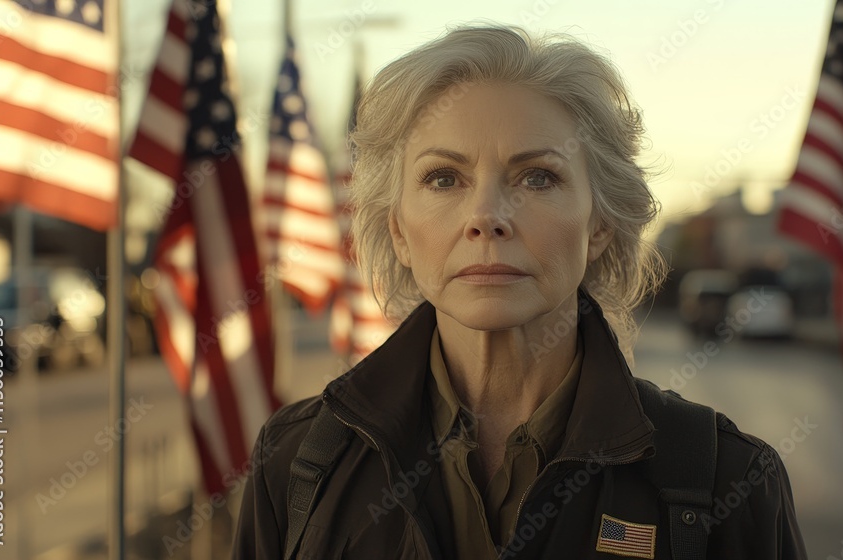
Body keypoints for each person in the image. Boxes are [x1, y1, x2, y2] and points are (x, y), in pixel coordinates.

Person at [233, 25, 807, 560]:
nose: (486, 216)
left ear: (599, 225)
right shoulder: (298, 465)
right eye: (443, 178)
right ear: (399, 232)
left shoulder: (728, 482)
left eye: (538, 177)